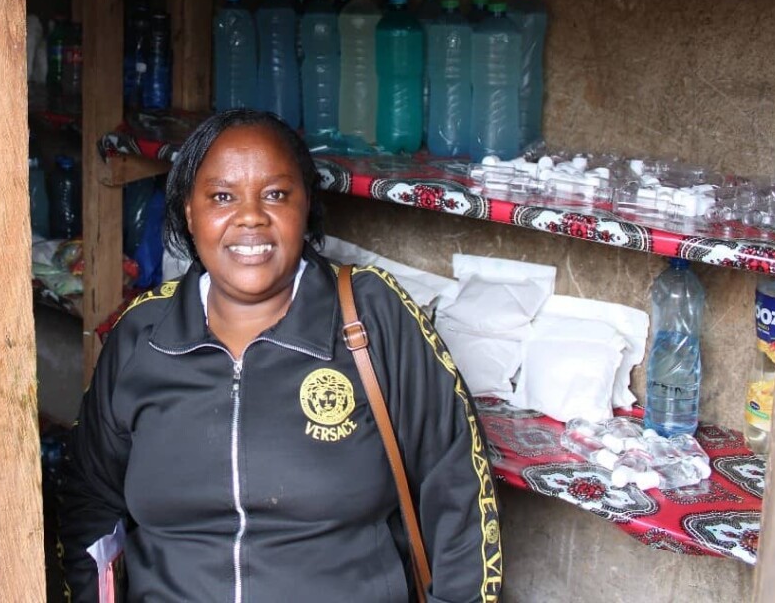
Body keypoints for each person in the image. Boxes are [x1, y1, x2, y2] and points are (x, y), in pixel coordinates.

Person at [59, 108, 502, 602]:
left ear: (305, 206)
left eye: (275, 194)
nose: (250, 216)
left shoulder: (372, 317)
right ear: (189, 212)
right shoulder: (143, 334)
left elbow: (458, 493)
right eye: (222, 196)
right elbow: (90, 501)